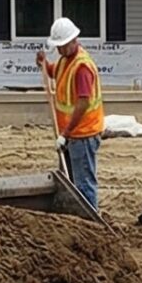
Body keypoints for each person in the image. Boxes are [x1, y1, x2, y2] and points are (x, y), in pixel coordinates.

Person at [37, 16, 104, 211]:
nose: (58, 50)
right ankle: (76, 217)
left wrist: (65, 134)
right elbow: (54, 72)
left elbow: (83, 102)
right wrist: (44, 64)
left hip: (82, 134)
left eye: (61, 46)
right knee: (69, 182)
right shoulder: (66, 60)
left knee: (83, 185)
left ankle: (91, 222)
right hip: (69, 134)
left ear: (71, 41)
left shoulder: (82, 67)